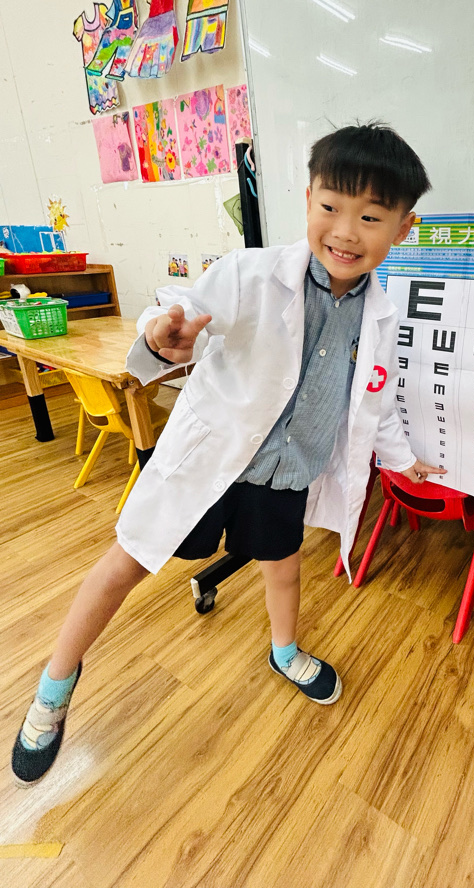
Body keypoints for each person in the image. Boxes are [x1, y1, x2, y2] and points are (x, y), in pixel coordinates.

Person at [11, 122, 443, 786]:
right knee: (126, 562)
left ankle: (284, 651)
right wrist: (165, 335)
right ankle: (54, 686)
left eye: (370, 216)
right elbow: (180, 306)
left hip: (285, 472)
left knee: (283, 568)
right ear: (307, 200)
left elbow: (373, 403)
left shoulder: (380, 316)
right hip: (210, 464)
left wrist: (402, 458)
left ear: (404, 228)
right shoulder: (251, 275)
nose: (346, 231)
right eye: (331, 206)